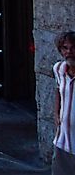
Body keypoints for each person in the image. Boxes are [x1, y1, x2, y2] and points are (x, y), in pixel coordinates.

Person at [54, 30, 75, 175]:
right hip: (62, 142)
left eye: (73, 48)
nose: (69, 52)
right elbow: (58, 90)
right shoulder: (59, 69)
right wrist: (56, 113)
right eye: (65, 48)